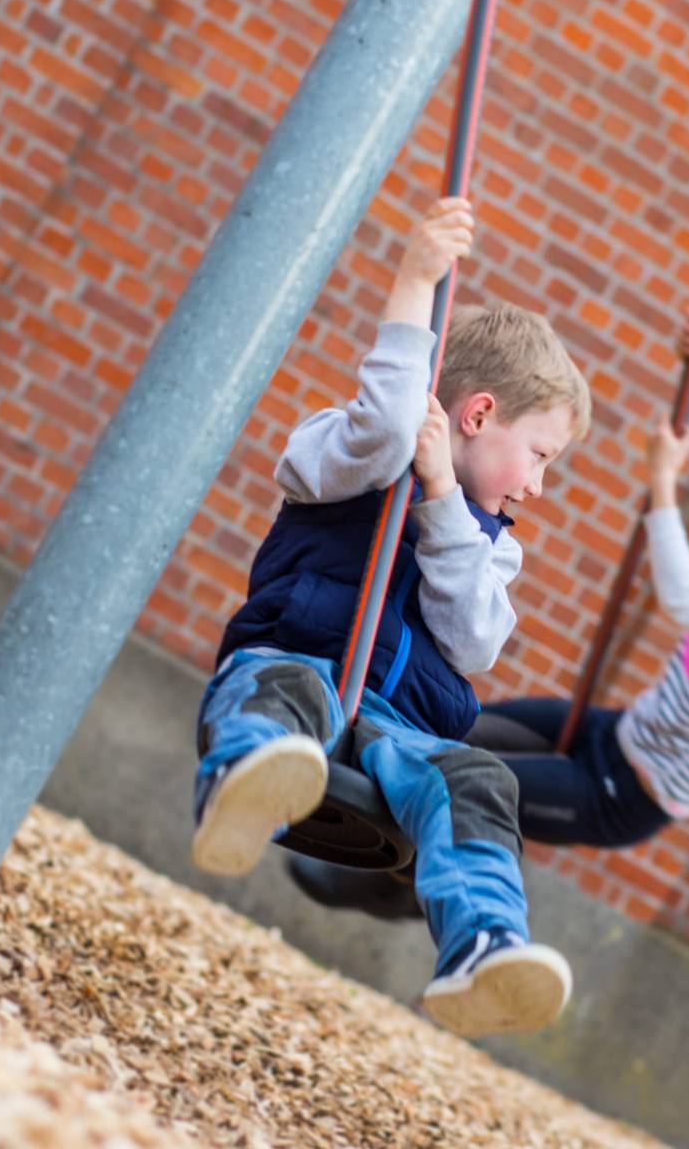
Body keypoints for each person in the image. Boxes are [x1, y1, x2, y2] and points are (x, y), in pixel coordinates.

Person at [287, 306, 689, 919]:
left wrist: (662, 485)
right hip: (614, 733)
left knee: (464, 786)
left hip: (625, 793)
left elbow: (686, 601)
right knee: (450, 733)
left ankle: (398, 892)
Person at [190, 197, 592, 1037]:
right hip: (301, 665)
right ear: (477, 416)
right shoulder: (345, 451)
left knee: (482, 779)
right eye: (539, 456)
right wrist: (414, 283)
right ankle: (245, 780)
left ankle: (482, 947)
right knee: (285, 694)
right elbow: (384, 428)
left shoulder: (490, 544)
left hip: (400, 731)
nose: (537, 485)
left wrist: (443, 498)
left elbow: (474, 642)